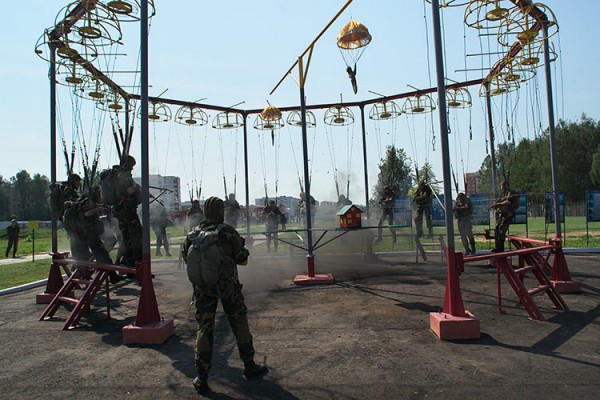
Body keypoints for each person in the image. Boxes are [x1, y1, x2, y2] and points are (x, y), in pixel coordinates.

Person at [183, 196, 268, 394]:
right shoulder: (227, 232)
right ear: (220, 211)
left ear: (205, 211)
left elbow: (188, 261)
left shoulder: (192, 235)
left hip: (203, 289)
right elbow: (243, 260)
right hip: (228, 287)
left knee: (204, 330)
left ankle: (201, 377)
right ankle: (249, 365)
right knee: (239, 323)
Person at [79, 186, 123, 283]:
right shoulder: (89, 202)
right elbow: (86, 214)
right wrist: (97, 209)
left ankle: (106, 269)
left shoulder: (93, 202)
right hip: (90, 233)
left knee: (109, 244)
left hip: (94, 232)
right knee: (103, 255)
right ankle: (112, 276)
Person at [113, 155, 142, 266]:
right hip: (128, 213)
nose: (132, 169)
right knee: (136, 238)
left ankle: (125, 263)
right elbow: (129, 190)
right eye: (132, 166)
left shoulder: (116, 174)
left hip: (120, 213)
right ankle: (134, 265)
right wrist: (136, 187)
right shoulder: (125, 174)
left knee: (126, 239)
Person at [490, 180, 516, 253]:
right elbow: (500, 201)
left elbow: (508, 202)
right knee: (497, 228)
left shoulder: (510, 193)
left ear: (505, 186)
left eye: (501, 186)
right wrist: (496, 205)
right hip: (503, 214)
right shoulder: (503, 194)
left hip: (508, 214)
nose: (500, 188)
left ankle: (501, 248)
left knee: (502, 230)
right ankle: (498, 246)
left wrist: (498, 204)